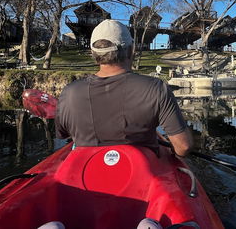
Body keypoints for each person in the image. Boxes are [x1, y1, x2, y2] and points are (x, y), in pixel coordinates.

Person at [55, 19, 193, 156]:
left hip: (85, 170)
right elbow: (183, 147)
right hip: (141, 172)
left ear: (94, 54)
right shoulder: (157, 89)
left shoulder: (69, 92)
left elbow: (64, 134)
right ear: (130, 50)